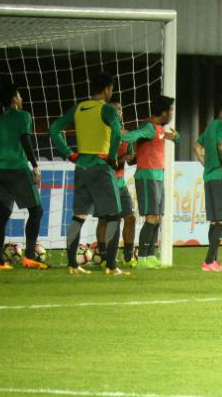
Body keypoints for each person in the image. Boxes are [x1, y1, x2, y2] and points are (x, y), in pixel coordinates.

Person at [49, 71, 125, 275]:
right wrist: (112, 156)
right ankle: (111, 266)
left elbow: (54, 129)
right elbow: (117, 132)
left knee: (79, 215)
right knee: (114, 216)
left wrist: (69, 154)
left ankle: (73, 265)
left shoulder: (79, 107)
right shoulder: (107, 109)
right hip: (100, 167)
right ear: (108, 89)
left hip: (81, 166)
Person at [0, 83, 48, 271]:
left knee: (2, 215)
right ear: (14, 99)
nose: (22, 98)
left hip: (1, 172)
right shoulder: (24, 116)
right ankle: (30, 258)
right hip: (18, 170)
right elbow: (25, 139)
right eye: (20, 95)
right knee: (37, 211)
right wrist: (35, 166)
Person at [121, 95, 177, 269]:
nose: (172, 113)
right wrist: (123, 137)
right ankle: (143, 258)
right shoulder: (149, 127)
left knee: (158, 218)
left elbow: (168, 136)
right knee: (151, 217)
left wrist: (173, 136)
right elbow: (133, 135)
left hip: (158, 176)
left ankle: (151, 255)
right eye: (171, 110)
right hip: (147, 177)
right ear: (164, 112)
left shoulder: (158, 129)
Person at [195, 95, 222, 272]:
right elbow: (221, 146)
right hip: (221, 177)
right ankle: (209, 260)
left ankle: (213, 261)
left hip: (210, 177)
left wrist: (206, 163)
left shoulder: (211, 125)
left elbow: (197, 146)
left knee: (215, 221)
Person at [95, 101, 136, 269]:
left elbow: (131, 155)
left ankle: (128, 255)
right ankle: (104, 255)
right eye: (114, 109)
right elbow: (99, 158)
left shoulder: (125, 134)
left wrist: (125, 158)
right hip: (104, 183)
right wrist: (115, 160)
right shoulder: (101, 134)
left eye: (120, 109)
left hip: (120, 183)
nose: (118, 112)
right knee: (105, 220)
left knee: (130, 218)